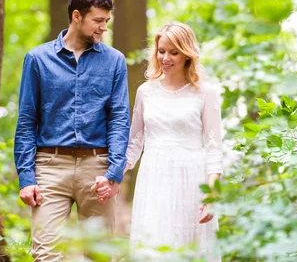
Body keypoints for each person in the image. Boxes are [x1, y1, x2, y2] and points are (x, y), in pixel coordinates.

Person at [14, 0, 130, 261]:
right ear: (77, 16)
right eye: (98, 21)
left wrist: (114, 173)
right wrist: (26, 177)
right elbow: (27, 121)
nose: (104, 27)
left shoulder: (115, 61)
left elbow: (119, 119)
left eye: (107, 21)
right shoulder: (37, 59)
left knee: (99, 255)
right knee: (45, 254)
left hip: (97, 168)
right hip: (50, 168)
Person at [96, 22, 223, 261]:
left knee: (190, 248)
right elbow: (133, 145)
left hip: (191, 179)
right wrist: (113, 176)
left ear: (187, 55)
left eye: (173, 52)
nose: (165, 57)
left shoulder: (205, 93)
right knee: (154, 247)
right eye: (161, 50)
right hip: (154, 180)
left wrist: (211, 195)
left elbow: (214, 148)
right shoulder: (146, 91)